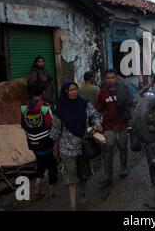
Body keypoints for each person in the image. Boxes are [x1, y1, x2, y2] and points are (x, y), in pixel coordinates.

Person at [50, 80, 102, 211]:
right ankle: (73, 203)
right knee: (70, 172)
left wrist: (97, 123)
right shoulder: (59, 108)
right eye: (71, 90)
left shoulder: (84, 103)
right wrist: (55, 147)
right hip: (66, 146)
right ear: (65, 92)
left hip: (82, 144)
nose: (74, 92)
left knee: (83, 172)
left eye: (75, 89)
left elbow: (94, 115)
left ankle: (83, 193)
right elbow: (56, 128)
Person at [20, 80, 58, 198]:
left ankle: (37, 188)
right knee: (52, 165)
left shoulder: (23, 107)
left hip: (32, 142)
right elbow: (51, 125)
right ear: (43, 91)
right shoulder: (45, 107)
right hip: (46, 142)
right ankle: (51, 191)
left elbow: (23, 124)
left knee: (41, 164)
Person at [96, 69, 134, 186]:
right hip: (108, 125)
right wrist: (97, 122)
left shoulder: (123, 90)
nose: (110, 80)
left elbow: (130, 105)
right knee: (108, 147)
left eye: (112, 77)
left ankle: (123, 168)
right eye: (108, 78)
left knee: (123, 146)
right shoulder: (102, 93)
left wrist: (133, 120)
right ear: (105, 79)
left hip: (122, 123)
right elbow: (99, 109)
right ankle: (108, 175)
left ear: (117, 78)